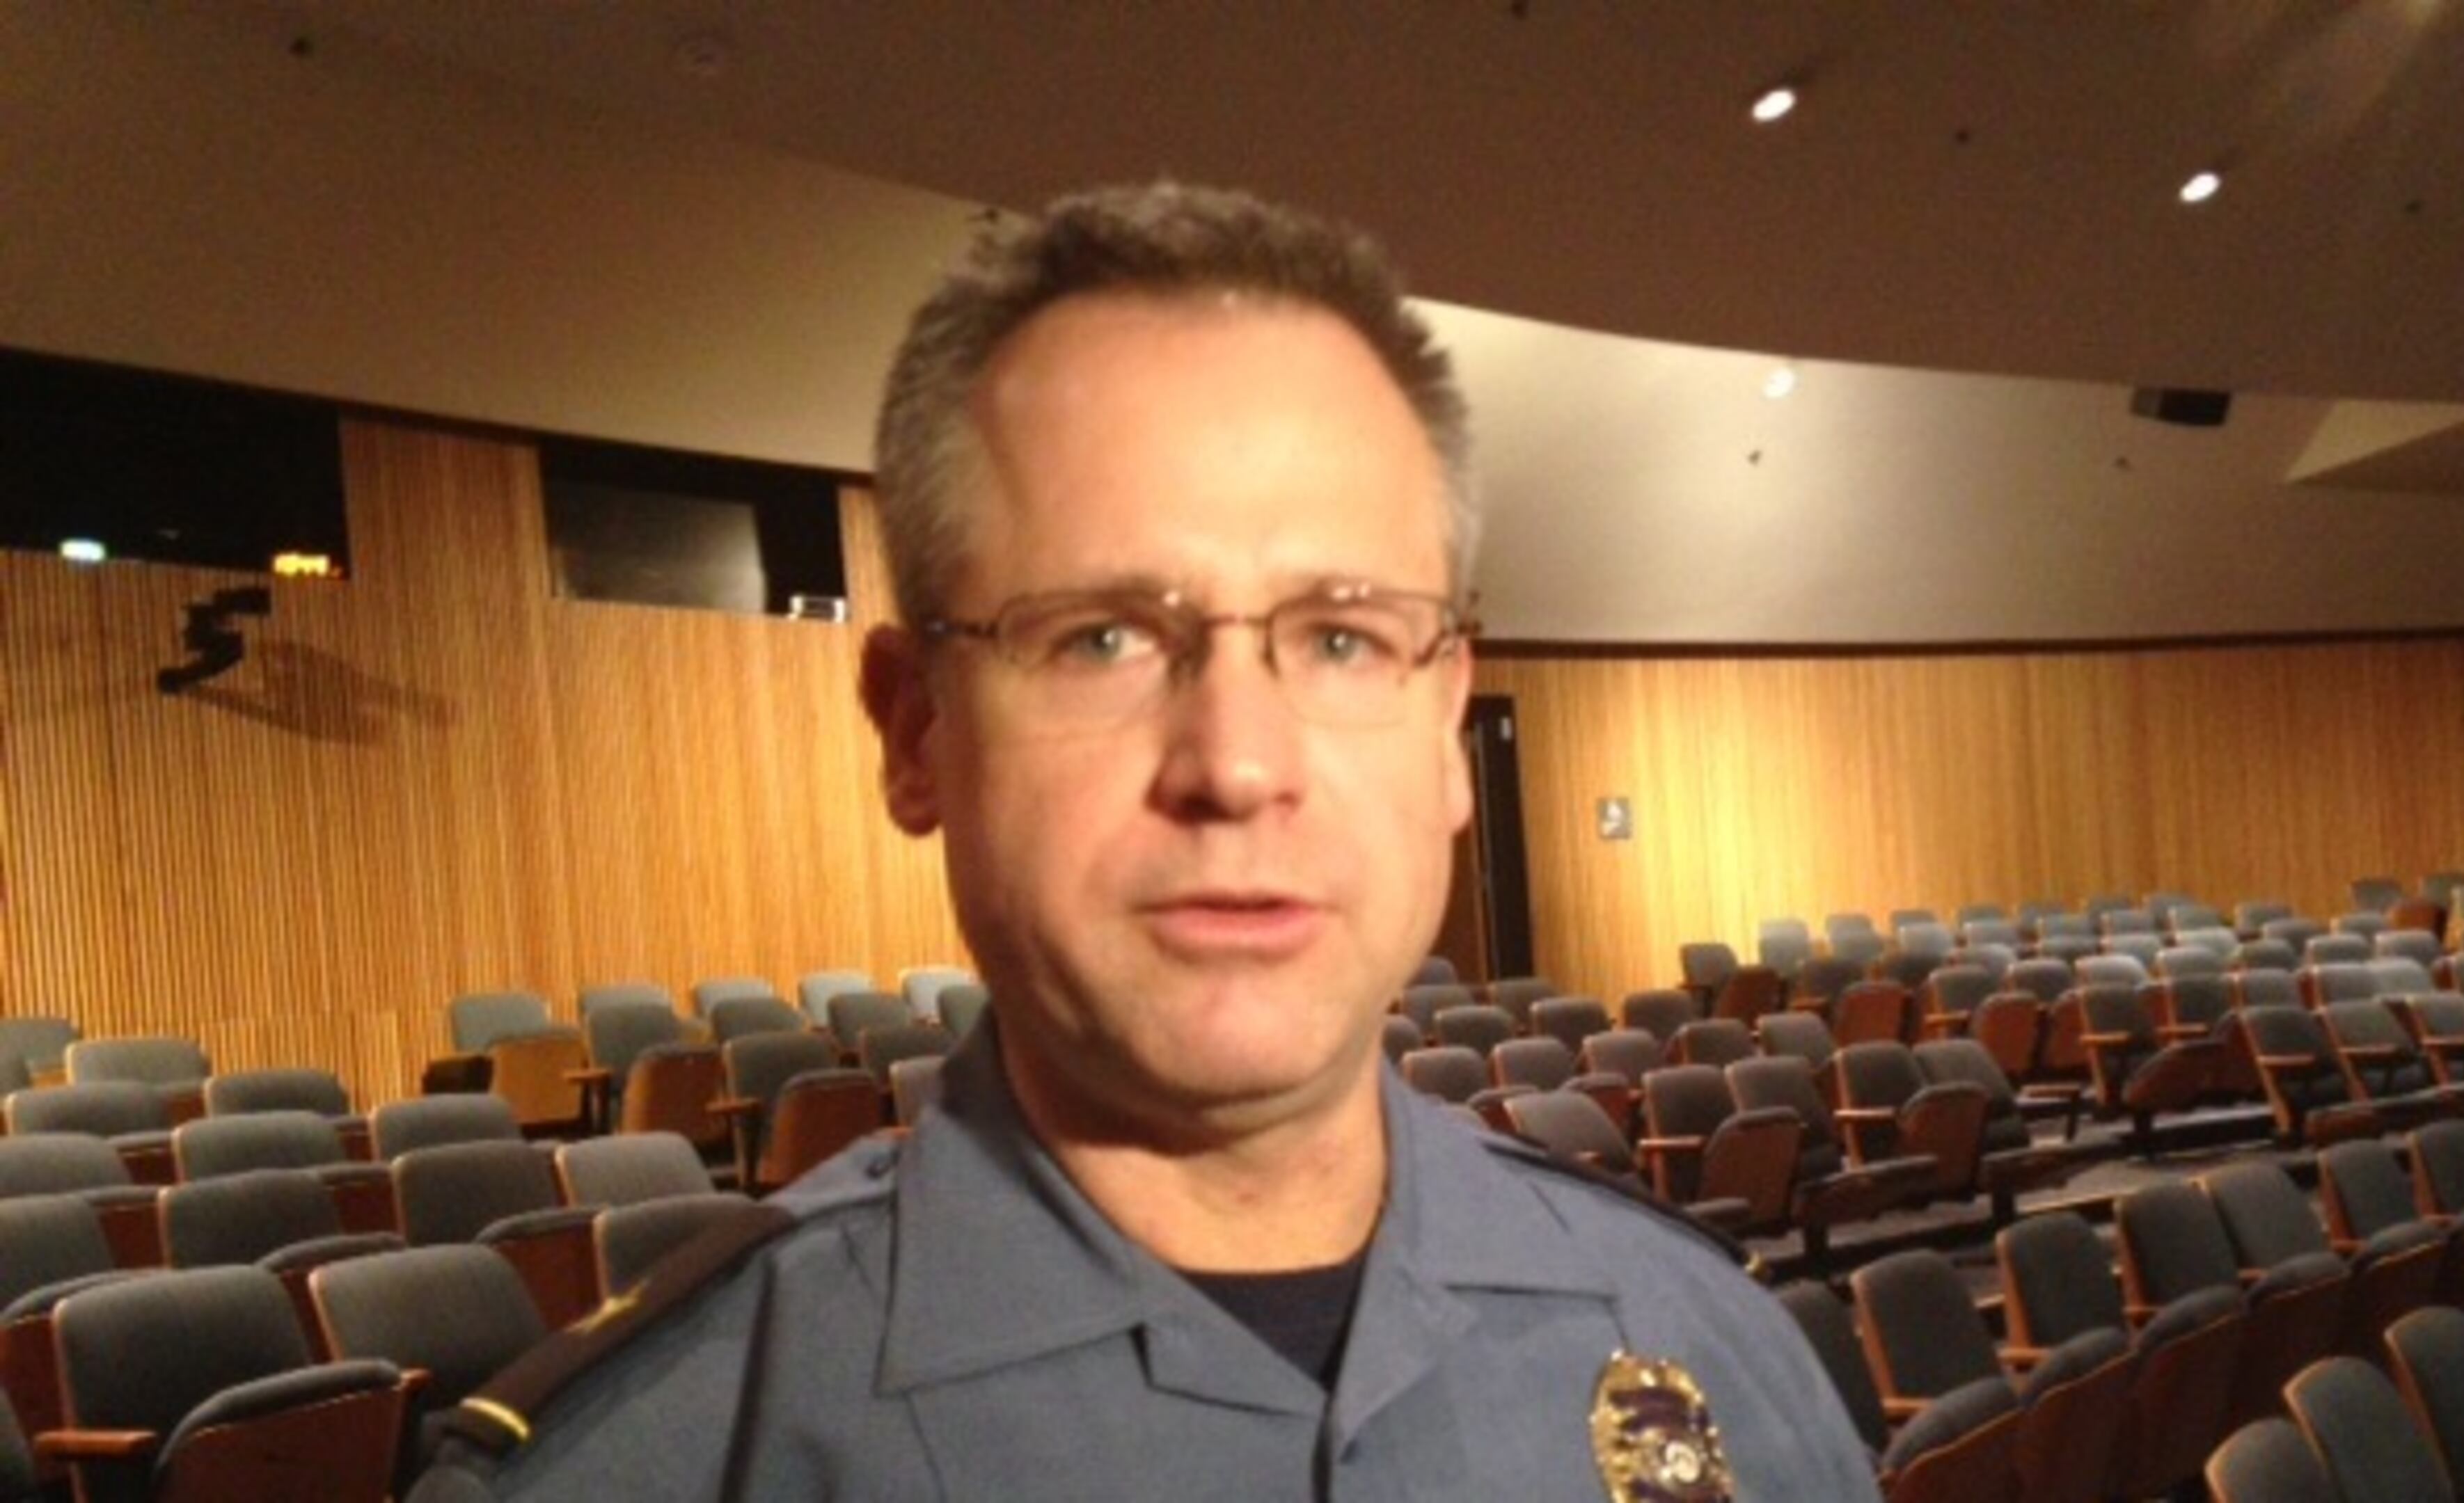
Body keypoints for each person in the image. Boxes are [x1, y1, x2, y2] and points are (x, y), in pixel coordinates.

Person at [413, 182, 1875, 1501]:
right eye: (1100, 637)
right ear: (916, 730)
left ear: (1447, 733)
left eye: (1344, 638)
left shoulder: (1712, 1347)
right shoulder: (654, 1464)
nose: (1237, 764)